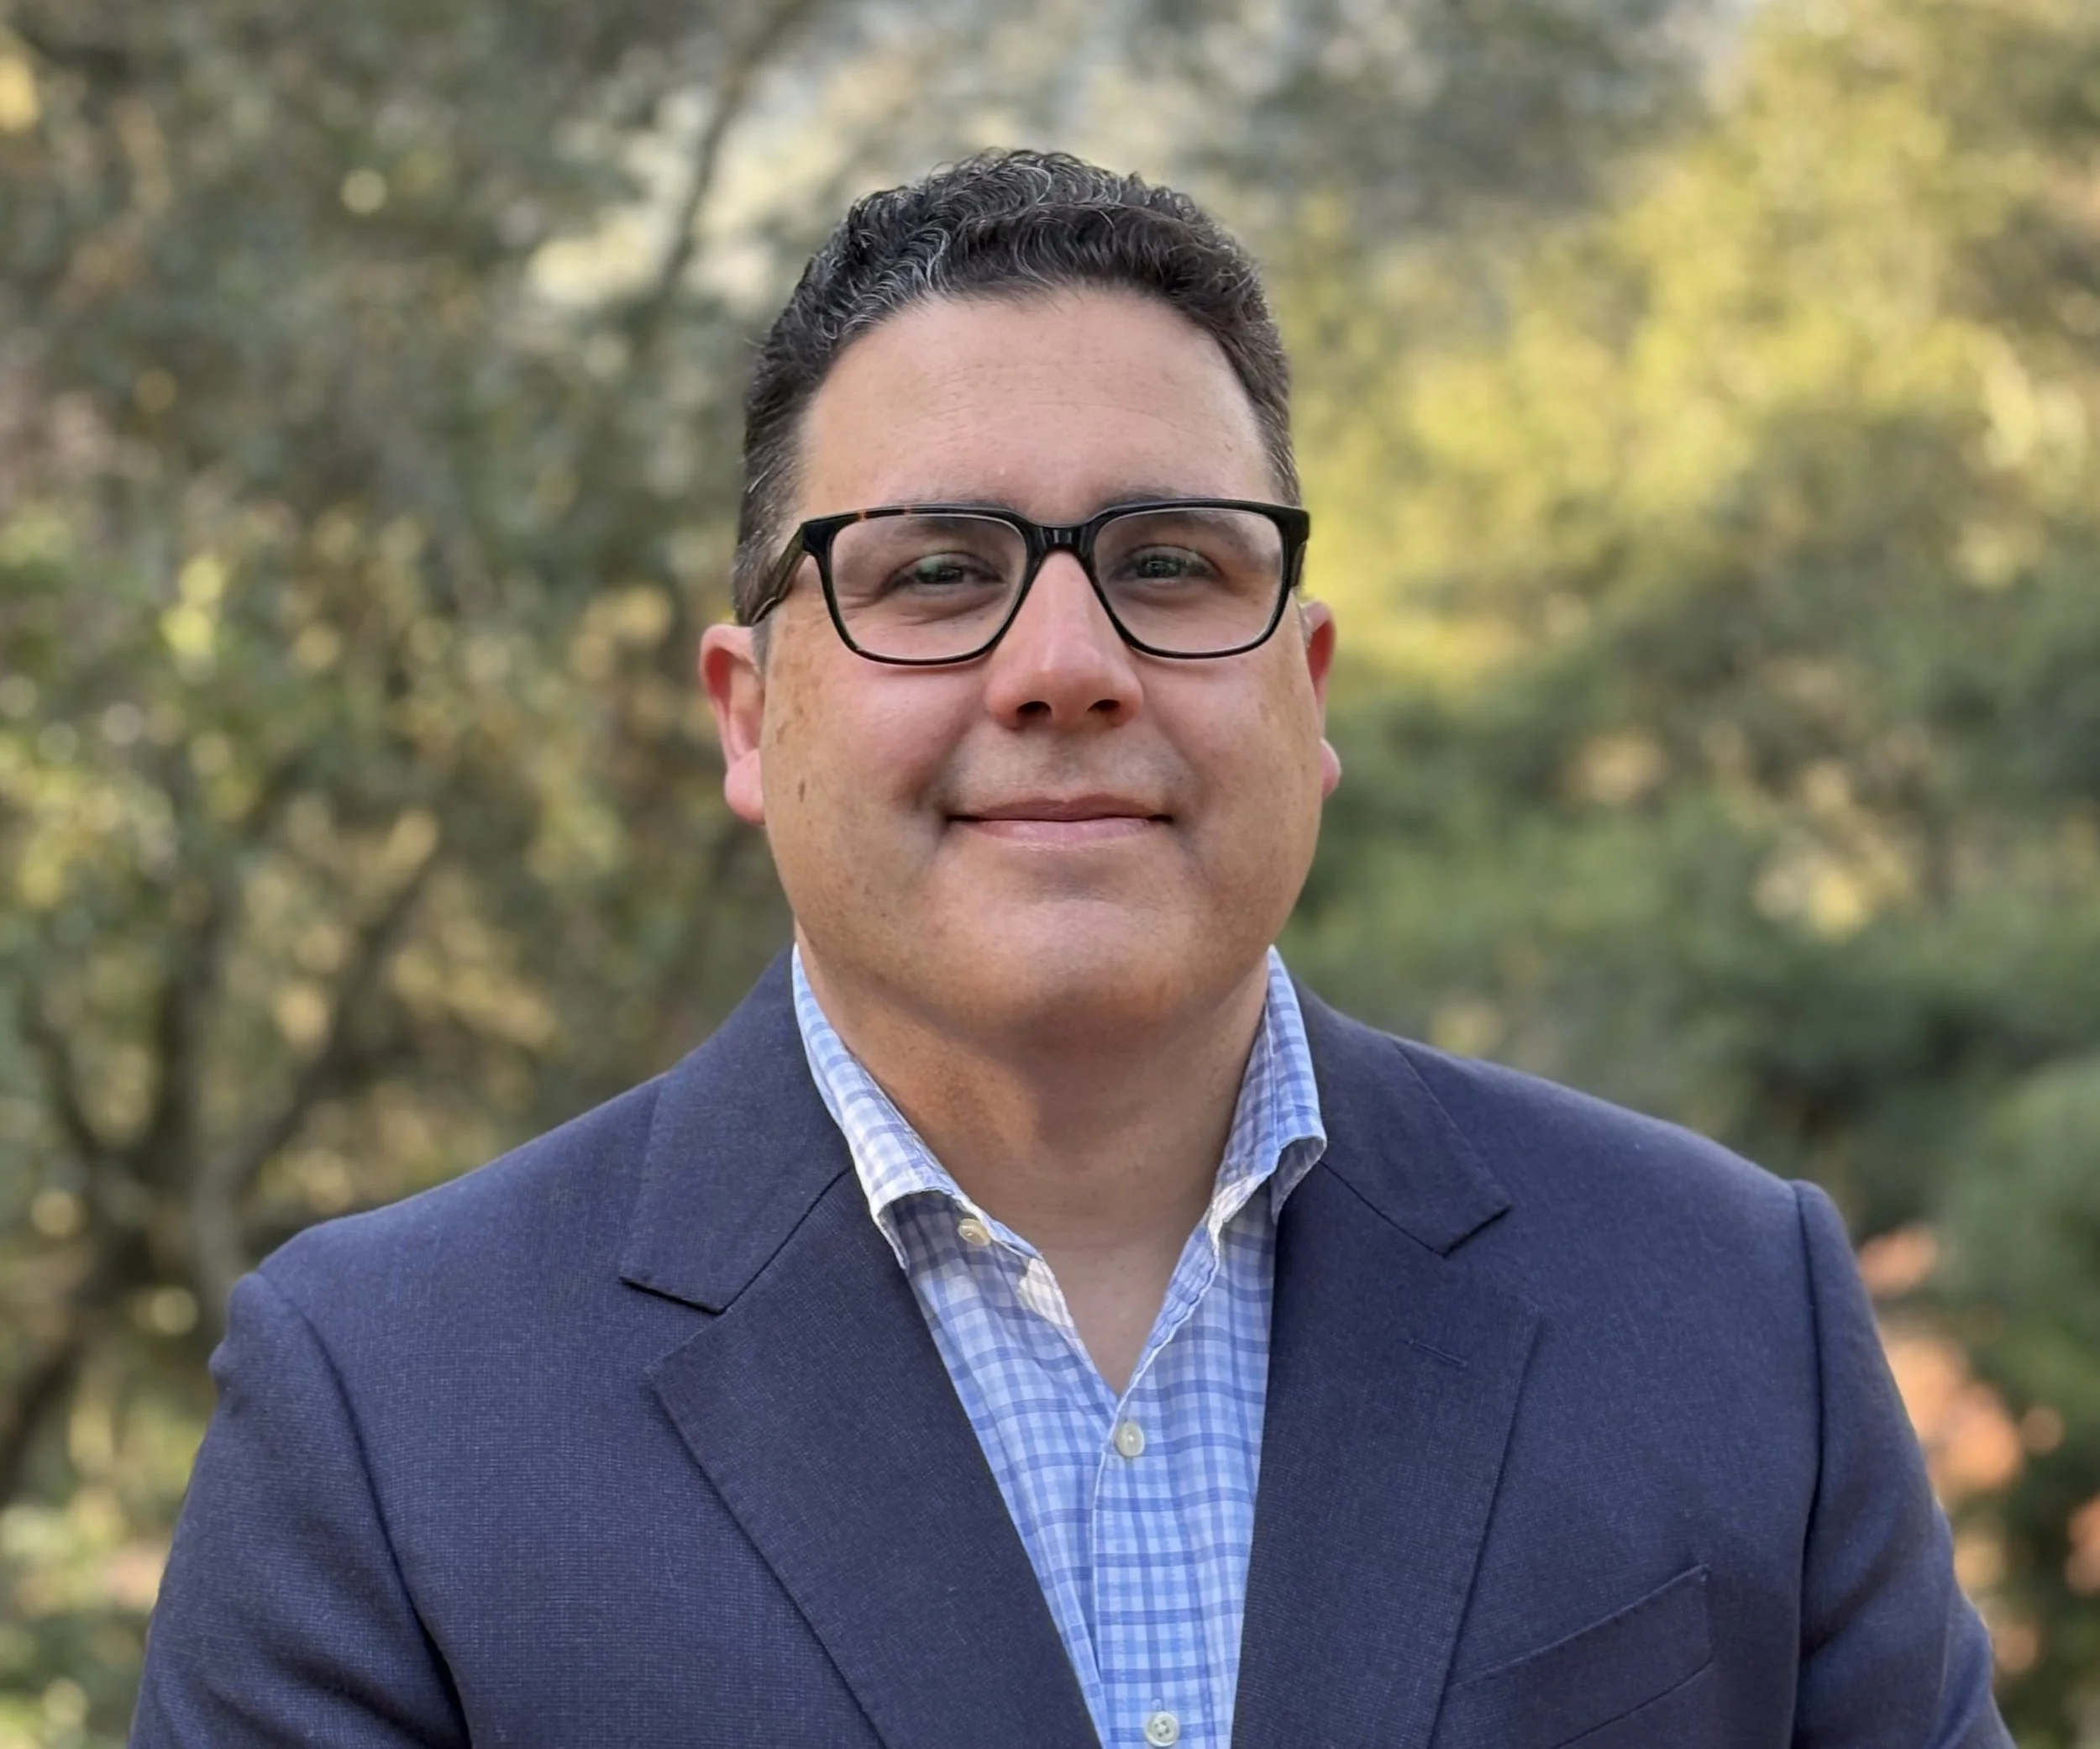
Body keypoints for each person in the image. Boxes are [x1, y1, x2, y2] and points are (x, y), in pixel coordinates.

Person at [133, 150, 2010, 1749]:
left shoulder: (1727, 1309)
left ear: (1307, 689)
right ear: (741, 713)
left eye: (1172, 565)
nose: (1063, 667)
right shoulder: (391, 1413)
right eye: (934, 573)